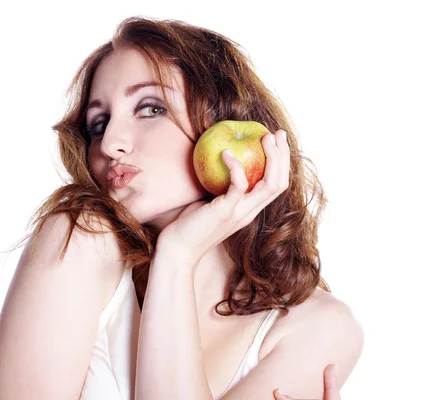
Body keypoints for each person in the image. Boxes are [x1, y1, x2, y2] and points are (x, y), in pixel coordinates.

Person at [0, 16, 363, 400]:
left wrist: (177, 256)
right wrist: (177, 254)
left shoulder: (320, 327)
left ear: (224, 120)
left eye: (150, 108)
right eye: (98, 123)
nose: (110, 144)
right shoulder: (80, 237)